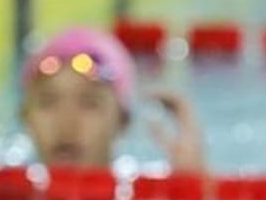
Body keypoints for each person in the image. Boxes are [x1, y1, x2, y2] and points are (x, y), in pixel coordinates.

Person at [20, 26, 206, 172]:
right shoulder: (4, 199)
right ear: (26, 116)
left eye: (89, 103)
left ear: (122, 120)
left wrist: (190, 182)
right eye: (47, 102)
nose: (66, 124)